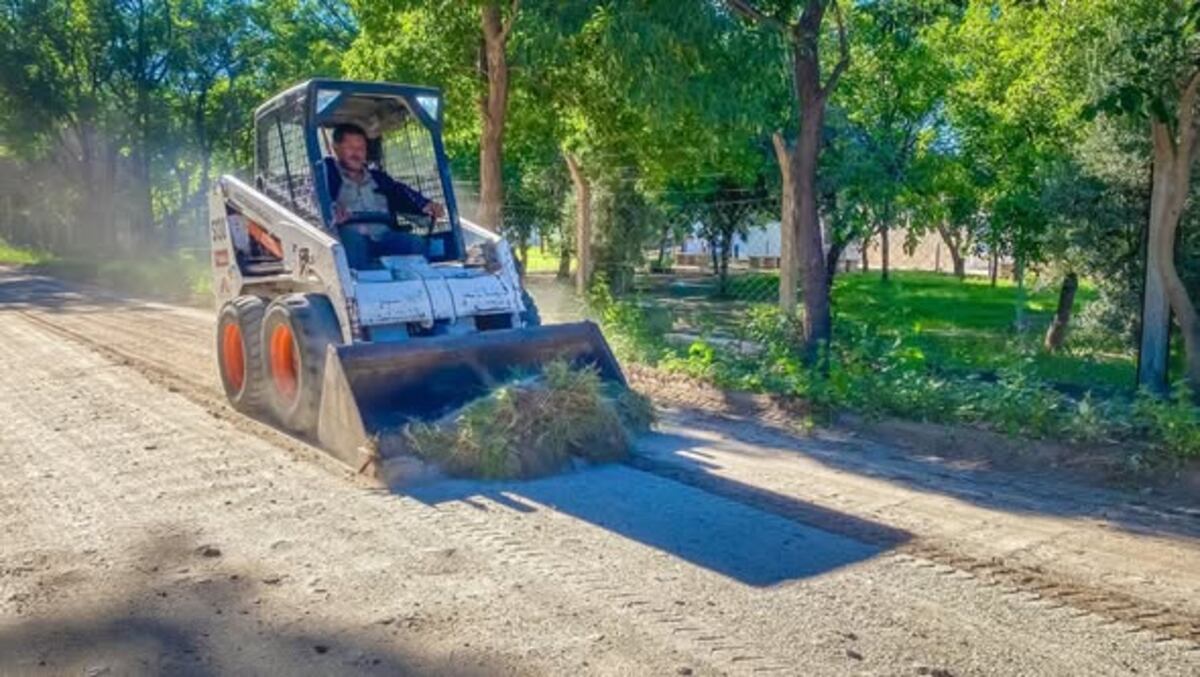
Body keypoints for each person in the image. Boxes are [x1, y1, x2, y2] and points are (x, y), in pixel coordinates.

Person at [323, 122, 445, 268]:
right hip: (348, 238)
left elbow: (403, 195)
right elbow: (310, 202)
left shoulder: (379, 178)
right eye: (350, 148)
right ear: (335, 148)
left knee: (414, 243)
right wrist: (331, 211)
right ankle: (357, 287)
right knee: (353, 242)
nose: (356, 153)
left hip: (383, 237)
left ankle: (417, 286)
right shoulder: (325, 175)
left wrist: (425, 205)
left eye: (361, 148)